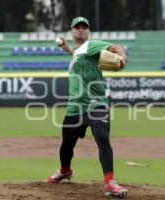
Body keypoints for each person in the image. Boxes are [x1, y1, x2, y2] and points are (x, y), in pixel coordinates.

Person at [46, 16, 128, 197]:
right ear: (72, 31)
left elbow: (115, 47)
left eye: (84, 27)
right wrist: (66, 48)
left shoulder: (93, 45)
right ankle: (65, 171)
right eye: (77, 27)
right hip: (75, 107)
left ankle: (109, 182)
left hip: (96, 104)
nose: (81, 30)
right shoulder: (78, 51)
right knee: (66, 145)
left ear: (88, 31)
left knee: (102, 138)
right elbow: (77, 54)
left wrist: (122, 56)